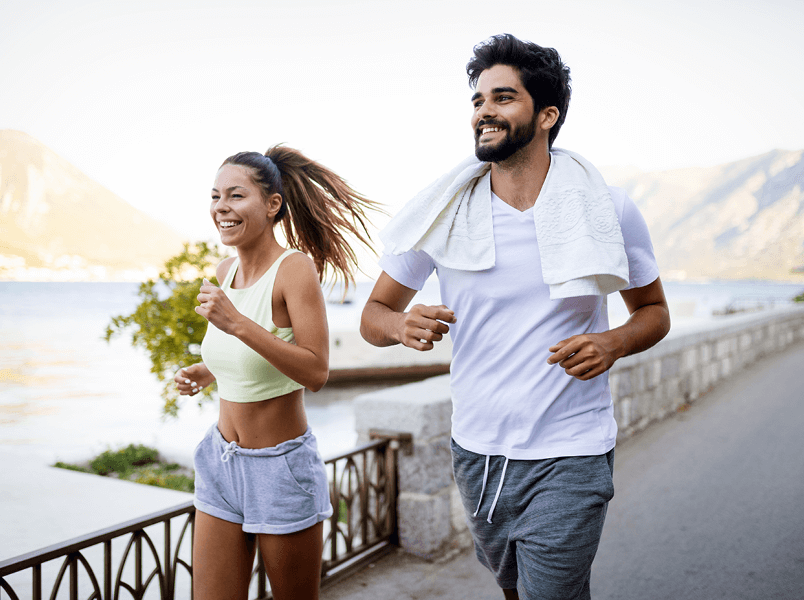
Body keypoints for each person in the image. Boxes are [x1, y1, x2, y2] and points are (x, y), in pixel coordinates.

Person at [360, 34, 671, 600]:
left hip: (571, 448)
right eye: (478, 100)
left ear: (547, 114)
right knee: (516, 590)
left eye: (503, 98)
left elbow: (652, 313)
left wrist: (612, 342)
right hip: (477, 451)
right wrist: (400, 326)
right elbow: (373, 316)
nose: (484, 111)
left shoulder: (607, 208)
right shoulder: (442, 212)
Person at [174, 146, 378, 600]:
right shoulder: (224, 272)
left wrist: (237, 324)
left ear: (272, 204)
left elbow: (316, 370)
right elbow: (249, 354)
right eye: (215, 196)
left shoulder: (294, 269)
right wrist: (209, 370)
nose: (221, 207)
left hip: (279, 468)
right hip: (220, 459)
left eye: (235, 195)